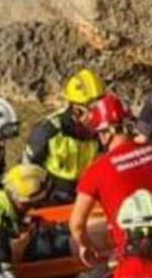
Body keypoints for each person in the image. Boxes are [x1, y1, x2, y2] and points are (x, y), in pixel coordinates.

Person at [68, 93, 152, 268]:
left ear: (105, 134)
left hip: (136, 251)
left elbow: (76, 224)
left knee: (77, 241)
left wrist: (86, 247)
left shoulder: (97, 170)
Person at [24, 69, 105, 204]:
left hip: (85, 197)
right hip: (51, 199)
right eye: (94, 108)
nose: (101, 113)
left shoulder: (102, 130)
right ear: (76, 110)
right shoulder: (48, 131)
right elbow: (27, 170)